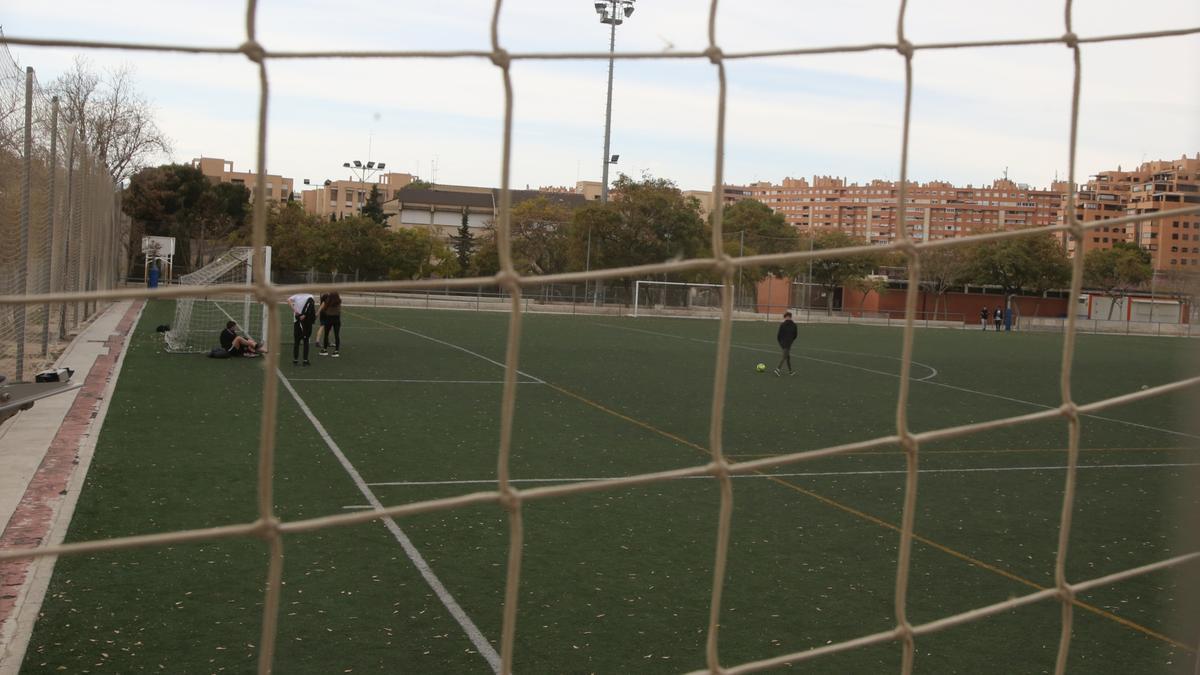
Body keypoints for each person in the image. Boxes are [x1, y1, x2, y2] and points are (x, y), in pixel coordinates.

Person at [289, 292, 317, 366]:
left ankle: (295, 360)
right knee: (306, 341)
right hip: (306, 322)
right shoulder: (310, 296)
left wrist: (294, 310)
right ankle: (305, 360)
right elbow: (311, 308)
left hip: (297, 320)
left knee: (296, 342)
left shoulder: (296, 295)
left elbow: (288, 300)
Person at [318, 291, 342, 357]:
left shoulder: (328, 301)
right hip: (337, 319)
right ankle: (336, 351)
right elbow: (339, 311)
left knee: (326, 334)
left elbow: (324, 309)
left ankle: (325, 350)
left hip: (329, 319)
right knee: (337, 335)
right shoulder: (339, 301)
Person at [774, 311, 798, 377]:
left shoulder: (782, 324)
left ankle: (790, 372)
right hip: (788, 342)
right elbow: (795, 335)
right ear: (790, 317)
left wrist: (780, 342)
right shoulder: (794, 325)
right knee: (785, 357)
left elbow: (778, 335)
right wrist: (791, 340)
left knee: (787, 357)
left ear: (786, 317)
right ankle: (777, 369)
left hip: (782, 343)